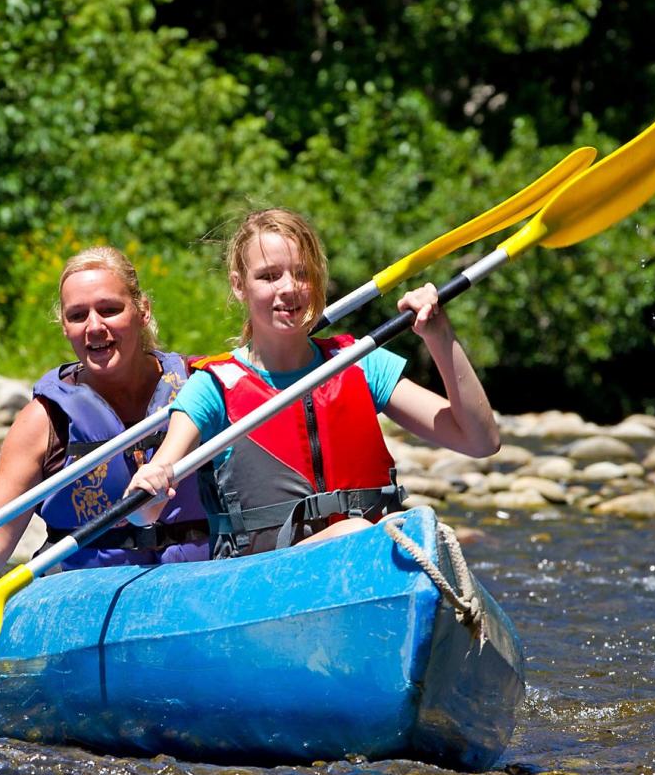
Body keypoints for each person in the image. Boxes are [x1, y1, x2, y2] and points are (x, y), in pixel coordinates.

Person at [125, 208, 500, 556]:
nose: (289, 288)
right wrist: (151, 484)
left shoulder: (359, 363)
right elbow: (146, 513)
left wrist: (438, 335)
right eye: (269, 276)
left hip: (365, 560)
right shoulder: (212, 389)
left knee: (416, 528)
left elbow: (480, 441)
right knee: (356, 534)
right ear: (239, 286)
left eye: (301, 273)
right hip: (261, 580)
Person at [0, 246, 210, 577]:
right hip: (90, 596)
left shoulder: (201, 386)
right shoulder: (43, 421)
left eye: (109, 309)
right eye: (77, 315)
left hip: (196, 586)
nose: (94, 327)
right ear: (64, 325)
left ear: (142, 310)